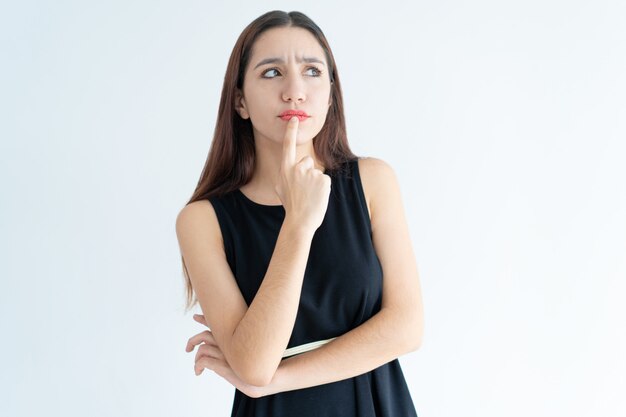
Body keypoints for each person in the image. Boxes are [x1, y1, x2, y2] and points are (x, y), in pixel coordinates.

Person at [175, 10, 424, 417]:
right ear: (239, 100)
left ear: (330, 90)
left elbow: (407, 327)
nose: (294, 91)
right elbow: (254, 364)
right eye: (271, 73)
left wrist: (278, 379)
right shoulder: (202, 221)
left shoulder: (372, 181)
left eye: (311, 71)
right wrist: (298, 222)